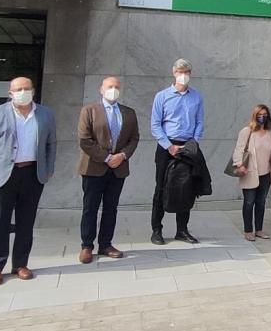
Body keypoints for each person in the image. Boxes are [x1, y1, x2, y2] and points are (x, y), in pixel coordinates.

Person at [0, 77, 56, 286]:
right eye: (17, 89)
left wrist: (48, 169)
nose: (22, 92)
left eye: (26, 88)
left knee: (26, 222)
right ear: (10, 93)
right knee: (0, 223)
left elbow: (51, 144)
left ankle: (20, 264)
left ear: (33, 90)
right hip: (3, 176)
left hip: (32, 174)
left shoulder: (45, 114)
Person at [76, 76, 140, 263]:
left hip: (118, 169)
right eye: (110, 86)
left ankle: (106, 244)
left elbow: (134, 138)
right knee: (90, 208)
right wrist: (106, 157)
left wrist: (122, 156)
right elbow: (84, 140)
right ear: (101, 89)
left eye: (117, 87)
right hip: (94, 167)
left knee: (111, 208)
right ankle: (87, 245)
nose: (113, 89)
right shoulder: (89, 110)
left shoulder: (129, 113)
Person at [150, 59, 206, 245]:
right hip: (167, 146)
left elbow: (199, 122)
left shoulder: (196, 96)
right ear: (174, 73)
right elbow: (156, 124)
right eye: (180, 71)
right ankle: (157, 230)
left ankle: (182, 229)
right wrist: (169, 146)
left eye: (187, 71)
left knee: (186, 187)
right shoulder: (162, 96)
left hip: (188, 147)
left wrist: (193, 143)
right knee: (161, 187)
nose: (184, 74)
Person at [232, 104, 271, 241]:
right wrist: (239, 165)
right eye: (259, 115)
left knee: (261, 202)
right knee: (249, 202)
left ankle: (259, 229)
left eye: (264, 115)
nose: (262, 117)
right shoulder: (247, 131)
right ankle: (248, 230)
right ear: (255, 116)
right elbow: (239, 149)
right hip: (250, 173)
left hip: (265, 174)